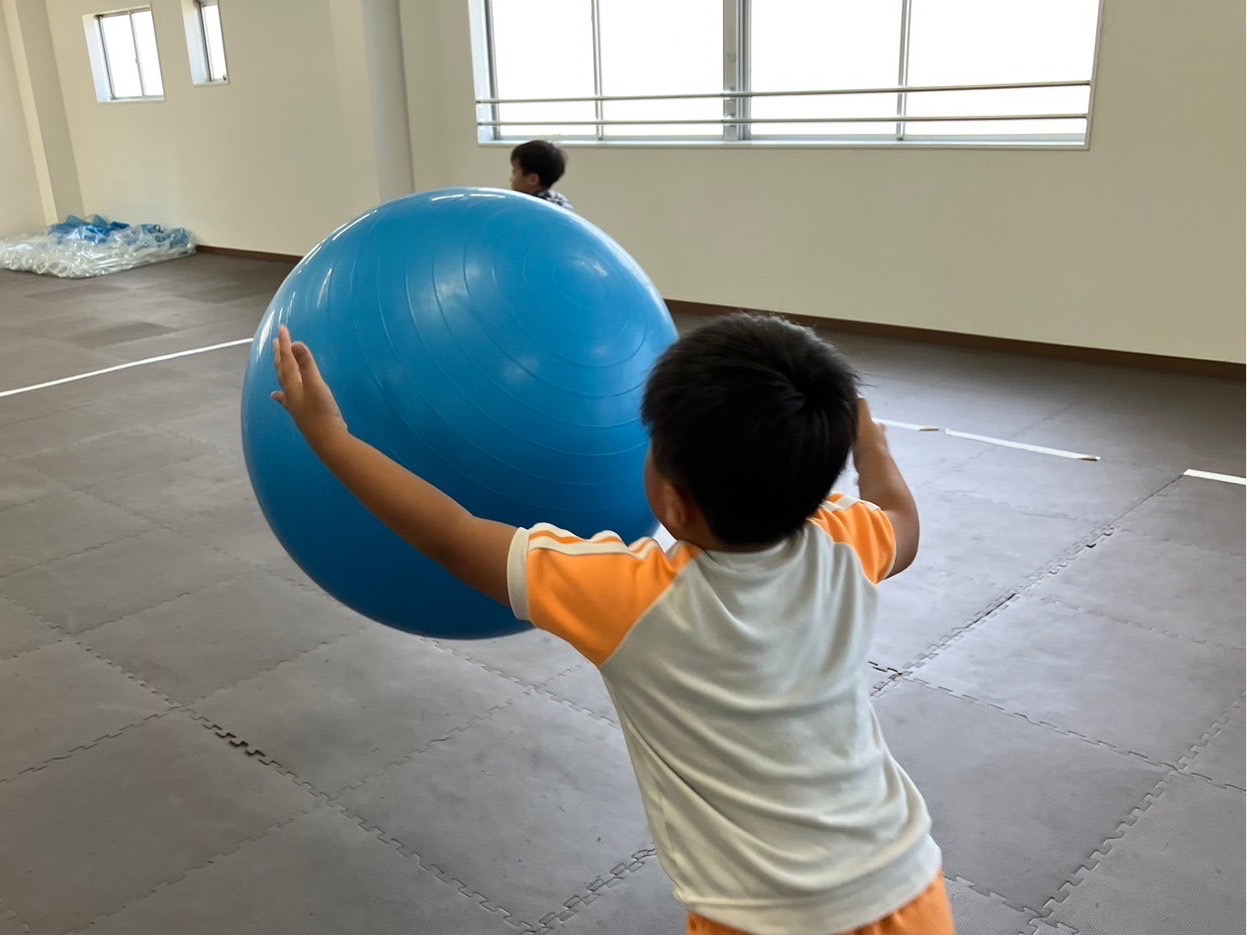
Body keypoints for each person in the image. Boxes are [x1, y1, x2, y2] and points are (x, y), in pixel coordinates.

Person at [271, 312, 955, 935]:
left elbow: (452, 535)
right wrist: (871, 446)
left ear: (674, 505)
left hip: (761, 920)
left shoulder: (629, 596)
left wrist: (330, 438)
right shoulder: (847, 541)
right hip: (909, 887)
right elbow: (902, 521)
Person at [509, 139, 573, 210]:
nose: (510, 179)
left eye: (514, 171)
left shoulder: (523, 206)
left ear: (533, 179)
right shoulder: (560, 201)